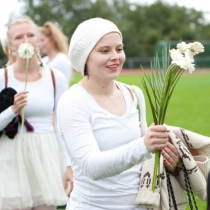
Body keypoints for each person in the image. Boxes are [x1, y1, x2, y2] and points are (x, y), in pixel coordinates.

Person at [57, 17, 180, 210]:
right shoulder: (73, 101)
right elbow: (92, 166)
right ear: (84, 57)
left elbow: (139, 159)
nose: (116, 56)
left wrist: (165, 159)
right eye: (104, 51)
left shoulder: (133, 94)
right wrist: (145, 145)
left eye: (119, 49)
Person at [0, 16, 69, 210]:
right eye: (18, 37)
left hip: (45, 155)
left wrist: (69, 164)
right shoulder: (2, 77)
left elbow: (63, 125)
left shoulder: (56, 78)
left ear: (38, 40)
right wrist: (13, 110)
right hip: (9, 156)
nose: (25, 41)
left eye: (31, 35)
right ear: (11, 45)